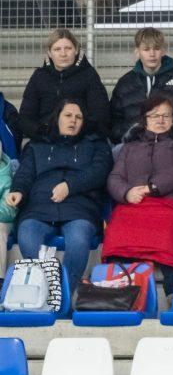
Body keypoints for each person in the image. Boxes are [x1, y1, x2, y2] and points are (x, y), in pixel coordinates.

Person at [102, 93, 173, 290]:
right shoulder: (130, 146)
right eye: (155, 115)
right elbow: (114, 178)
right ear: (144, 119)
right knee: (117, 228)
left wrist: (153, 187)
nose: (161, 120)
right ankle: (119, 291)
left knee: (164, 231)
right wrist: (127, 193)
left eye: (166, 115)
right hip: (135, 205)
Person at [8, 97, 108, 281]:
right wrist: (18, 190)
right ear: (57, 118)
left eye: (78, 117)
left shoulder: (96, 144)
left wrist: (70, 186)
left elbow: (99, 172)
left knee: (78, 241)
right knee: (27, 235)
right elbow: (25, 174)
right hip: (39, 207)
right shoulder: (36, 145)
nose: (73, 120)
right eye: (68, 115)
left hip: (80, 209)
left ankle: (65, 292)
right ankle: (44, 288)